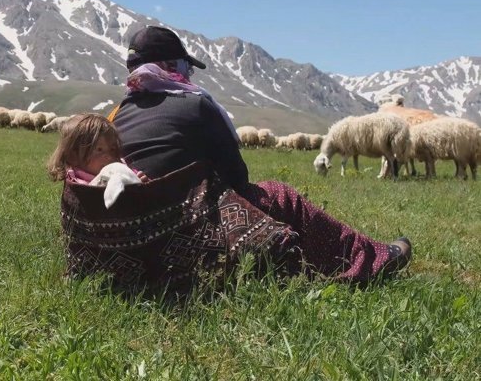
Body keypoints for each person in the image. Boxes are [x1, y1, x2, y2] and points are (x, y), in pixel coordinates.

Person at [108, 25, 411, 284]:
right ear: (172, 66)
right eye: (185, 66)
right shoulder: (196, 107)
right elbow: (238, 179)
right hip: (186, 227)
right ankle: (368, 260)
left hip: (134, 235)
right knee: (280, 195)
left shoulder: (117, 115)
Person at [47, 113, 148, 207]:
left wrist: (141, 181)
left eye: (112, 149)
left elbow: (130, 176)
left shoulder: (118, 166)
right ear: (73, 156)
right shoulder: (78, 183)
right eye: (99, 150)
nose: (109, 156)